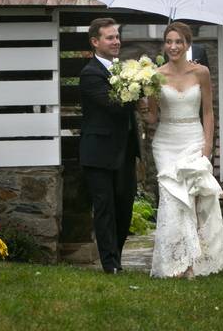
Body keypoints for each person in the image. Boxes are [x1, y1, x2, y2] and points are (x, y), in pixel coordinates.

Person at [143, 21, 223, 278]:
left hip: (193, 139)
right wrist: (141, 102)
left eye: (179, 42)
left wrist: (207, 146)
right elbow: (152, 118)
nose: (173, 46)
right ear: (164, 44)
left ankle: (191, 263)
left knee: (190, 200)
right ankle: (172, 265)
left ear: (188, 45)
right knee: (170, 201)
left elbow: (209, 112)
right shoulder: (156, 75)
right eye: (169, 41)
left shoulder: (201, 73)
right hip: (165, 143)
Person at [79, 18, 140, 274]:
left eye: (117, 37)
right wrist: (140, 88)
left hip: (125, 151)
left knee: (124, 208)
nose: (116, 42)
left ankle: (117, 256)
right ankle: (110, 265)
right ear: (95, 42)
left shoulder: (122, 70)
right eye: (110, 37)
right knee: (104, 209)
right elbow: (114, 105)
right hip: (99, 152)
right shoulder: (90, 73)